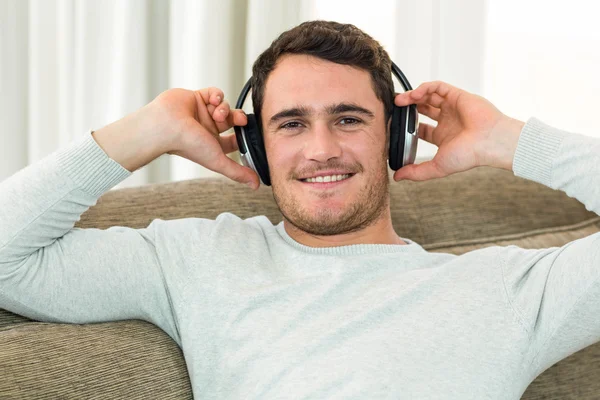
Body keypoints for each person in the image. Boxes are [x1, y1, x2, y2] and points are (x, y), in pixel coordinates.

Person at [1, 20, 598, 399]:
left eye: (348, 118)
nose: (321, 150)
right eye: (290, 124)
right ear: (257, 146)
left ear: (396, 135)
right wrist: (145, 132)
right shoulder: (195, 258)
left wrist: (511, 141)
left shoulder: (511, 291)